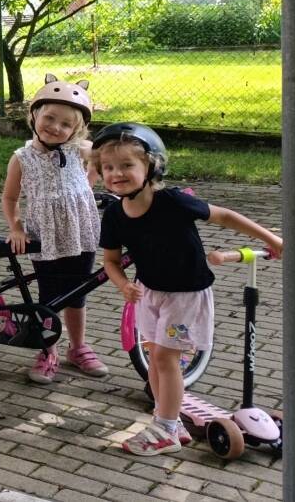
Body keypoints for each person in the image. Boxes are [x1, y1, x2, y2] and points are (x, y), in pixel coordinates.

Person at [94, 122, 283, 455]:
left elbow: (224, 216)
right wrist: (123, 284)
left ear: (151, 167)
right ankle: (170, 422)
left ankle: (165, 430)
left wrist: (272, 239)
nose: (116, 173)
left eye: (126, 165)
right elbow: (110, 260)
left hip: (186, 294)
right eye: (108, 167)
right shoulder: (113, 214)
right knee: (156, 359)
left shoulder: (172, 202)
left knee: (165, 359)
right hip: (150, 292)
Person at [2, 75, 106, 383]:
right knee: (49, 297)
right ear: (34, 115)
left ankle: (79, 347)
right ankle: (48, 351)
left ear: (76, 129)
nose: (56, 127)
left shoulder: (77, 150)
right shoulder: (22, 158)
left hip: (81, 234)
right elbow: (9, 198)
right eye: (50, 118)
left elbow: (102, 157)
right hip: (45, 237)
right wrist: (16, 227)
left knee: (78, 294)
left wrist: (87, 186)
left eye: (66, 124)